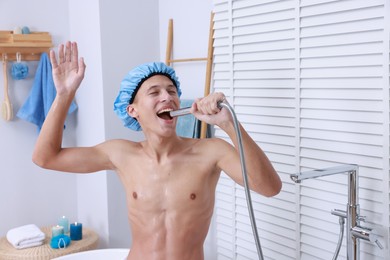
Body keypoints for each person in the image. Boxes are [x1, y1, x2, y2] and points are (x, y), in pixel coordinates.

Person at [33, 41, 282, 260]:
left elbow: (270, 187)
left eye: (172, 91)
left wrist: (229, 124)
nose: (168, 97)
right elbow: (45, 157)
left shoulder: (212, 152)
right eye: (155, 92)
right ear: (133, 110)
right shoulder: (120, 154)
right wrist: (64, 95)